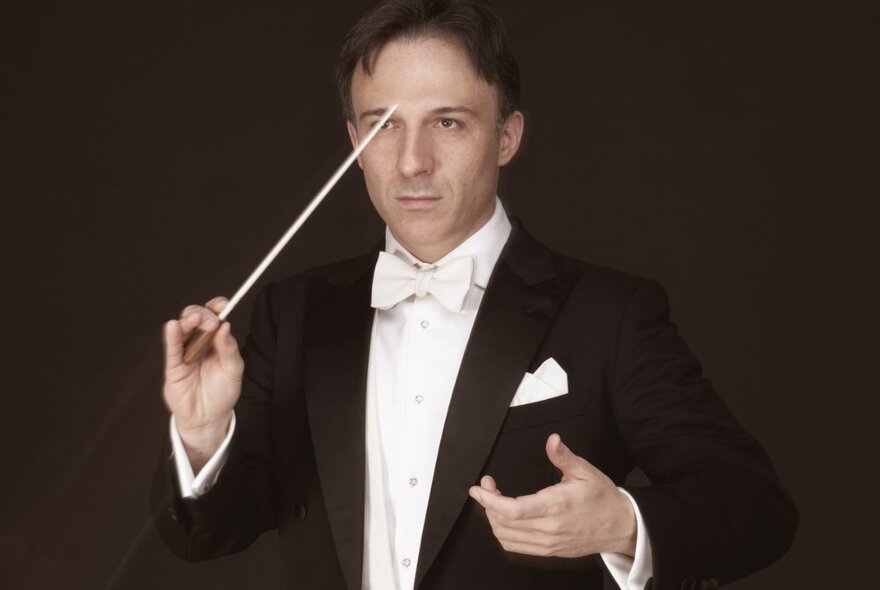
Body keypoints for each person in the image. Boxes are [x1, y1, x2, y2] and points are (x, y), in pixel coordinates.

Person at [152, 1, 798, 588]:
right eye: (383, 126)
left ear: (506, 136)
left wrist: (622, 525)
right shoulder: (293, 314)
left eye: (449, 123)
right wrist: (204, 432)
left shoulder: (611, 315)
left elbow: (756, 508)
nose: (411, 161)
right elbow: (208, 534)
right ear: (354, 144)